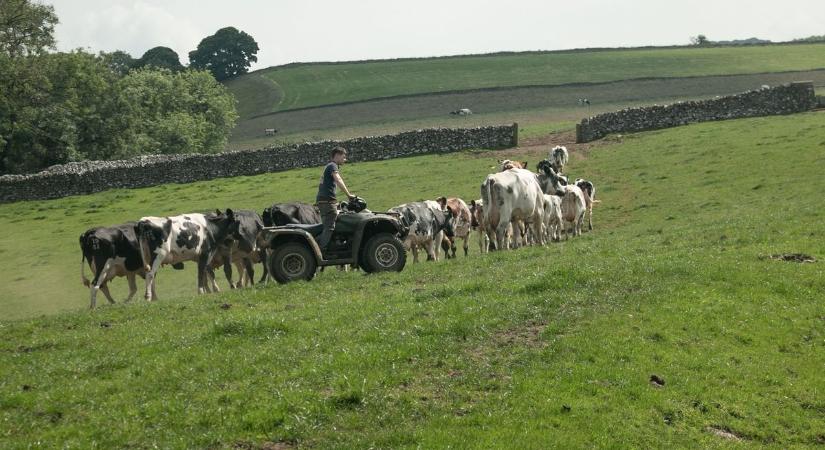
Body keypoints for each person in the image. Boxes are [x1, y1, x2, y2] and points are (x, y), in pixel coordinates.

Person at [316, 147, 355, 249]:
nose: (345, 159)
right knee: (329, 227)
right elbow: (338, 179)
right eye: (344, 156)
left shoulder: (328, 166)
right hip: (327, 202)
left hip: (324, 201)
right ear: (337, 155)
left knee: (328, 225)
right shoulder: (333, 166)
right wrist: (348, 195)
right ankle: (320, 249)